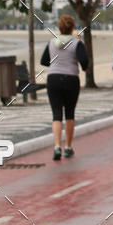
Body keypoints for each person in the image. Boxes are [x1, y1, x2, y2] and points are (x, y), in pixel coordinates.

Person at [40, 15, 88, 160]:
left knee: (56, 114)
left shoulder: (51, 42)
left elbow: (44, 61)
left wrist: (57, 62)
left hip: (53, 79)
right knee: (69, 114)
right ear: (72, 27)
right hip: (71, 79)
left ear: (59, 27)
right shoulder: (77, 43)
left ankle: (56, 147)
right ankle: (68, 147)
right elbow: (85, 62)